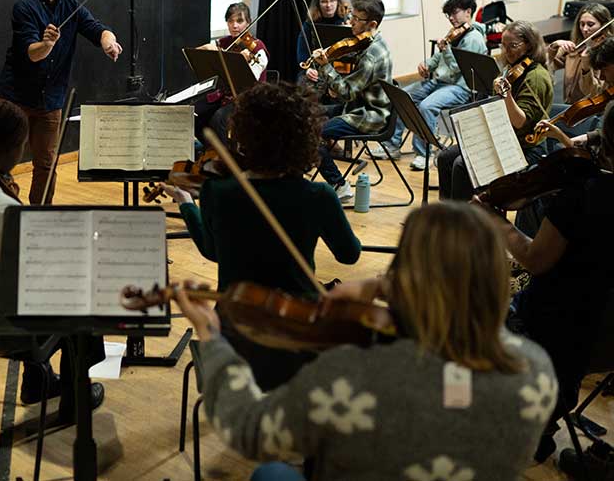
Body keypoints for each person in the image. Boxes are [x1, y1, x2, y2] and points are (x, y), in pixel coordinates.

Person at [175, 202, 557, 481]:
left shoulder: (352, 375)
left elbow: (248, 428)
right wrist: (380, 287)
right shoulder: (536, 370)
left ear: (404, 272)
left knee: (272, 474)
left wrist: (212, 336)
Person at [161, 83, 361, 390]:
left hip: (235, 335)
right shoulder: (318, 195)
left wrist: (187, 204)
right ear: (305, 138)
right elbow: (349, 254)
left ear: (243, 136)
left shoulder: (218, 191)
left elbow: (212, 251)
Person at [0, 98, 105, 420]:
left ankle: (38, 382)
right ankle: (75, 399)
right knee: (82, 295)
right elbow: (37, 274)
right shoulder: (0, 209)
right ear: (12, 149)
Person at [481, 101, 614, 468]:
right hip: (602, 339)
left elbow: (536, 259)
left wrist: (497, 223)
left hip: (553, 325)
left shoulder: (582, 196)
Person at [0, 0, 122, 204]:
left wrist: (109, 41)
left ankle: (39, 217)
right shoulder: (24, 8)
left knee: (46, 164)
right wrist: (47, 45)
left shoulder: (71, 6)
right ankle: (2, 213)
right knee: (0, 162)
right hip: (15, 99)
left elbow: (97, 29)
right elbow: (33, 54)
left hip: (49, 101)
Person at [437, 20, 553, 202]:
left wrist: (506, 95)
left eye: (513, 46)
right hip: (502, 138)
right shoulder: (511, 69)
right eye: (503, 45)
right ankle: (448, 214)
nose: (506, 51)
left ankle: (465, 222)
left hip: (525, 147)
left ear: (529, 45)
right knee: (445, 157)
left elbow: (520, 121)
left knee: (461, 164)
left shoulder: (536, 77)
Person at [380, 0, 488, 170]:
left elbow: (456, 67)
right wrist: (427, 64)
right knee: (402, 96)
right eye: (448, 15)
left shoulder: (473, 39)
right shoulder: (456, 32)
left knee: (426, 106)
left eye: (454, 13)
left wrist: (445, 50)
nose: (451, 18)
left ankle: (425, 153)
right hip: (440, 82)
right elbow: (439, 57)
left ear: (468, 12)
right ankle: (392, 145)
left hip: (460, 87)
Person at [306, 0, 393, 201]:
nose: (350, 22)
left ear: (372, 24)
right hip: (355, 106)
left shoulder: (372, 56)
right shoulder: (371, 40)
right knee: (305, 117)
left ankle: (339, 185)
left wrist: (326, 66)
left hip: (369, 115)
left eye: (356, 19)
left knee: (310, 134)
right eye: (350, 16)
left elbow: (346, 92)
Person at [194, 2, 270, 142]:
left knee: (219, 118)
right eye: (230, 21)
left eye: (239, 21)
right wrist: (208, 49)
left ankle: (228, 158)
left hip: (248, 98)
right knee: (194, 114)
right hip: (225, 95)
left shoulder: (257, 47)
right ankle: (212, 150)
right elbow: (202, 50)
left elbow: (251, 79)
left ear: (248, 23)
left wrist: (242, 62)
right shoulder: (226, 42)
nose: (234, 26)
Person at [548, 2, 611, 105]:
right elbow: (546, 65)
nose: (585, 29)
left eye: (590, 24)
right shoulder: (576, 48)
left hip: (591, 110)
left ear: (603, 25)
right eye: (582, 24)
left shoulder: (607, 54)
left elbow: (594, 93)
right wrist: (554, 47)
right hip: (570, 106)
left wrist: (586, 66)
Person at [295, 0, 350, 74]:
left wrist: (349, 30)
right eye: (324, 1)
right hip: (316, 68)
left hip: (339, 68)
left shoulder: (346, 21)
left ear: (338, 2)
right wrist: (307, 69)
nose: (328, 5)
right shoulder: (310, 23)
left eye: (332, 1)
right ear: (318, 4)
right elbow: (302, 50)